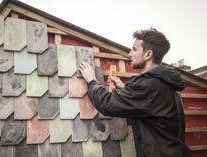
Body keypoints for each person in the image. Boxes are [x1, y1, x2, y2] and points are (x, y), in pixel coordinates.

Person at [78, 28, 191, 157]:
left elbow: (108, 104)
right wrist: (124, 88)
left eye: (134, 49)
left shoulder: (148, 85)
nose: (129, 54)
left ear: (148, 54)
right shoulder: (165, 82)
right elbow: (147, 105)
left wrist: (92, 80)